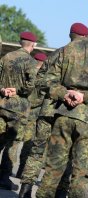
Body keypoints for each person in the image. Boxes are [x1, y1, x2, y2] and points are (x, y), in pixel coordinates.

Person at [35, 8, 88, 197]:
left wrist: (63, 93)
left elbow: (43, 79)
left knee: (52, 170)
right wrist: (86, 97)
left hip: (63, 116)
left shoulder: (69, 48)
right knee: (81, 176)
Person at [19, 22, 88, 198]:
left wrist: (58, 92)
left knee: (37, 150)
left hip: (48, 109)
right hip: (70, 113)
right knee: (66, 154)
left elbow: (41, 80)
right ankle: (59, 191)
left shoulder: (58, 53)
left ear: (70, 35)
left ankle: (25, 189)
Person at [0, 31, 38, 191]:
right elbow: (31, 86)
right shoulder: (30, 62)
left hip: (2, 104)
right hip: (19, 110)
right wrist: (18, 89)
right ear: (33, 45)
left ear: (20, 42)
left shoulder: (6, 57)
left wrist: (3, 89)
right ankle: (3, 178)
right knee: (12, 145)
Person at [15, 53, 48, 179]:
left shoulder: (25, 72)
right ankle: (21, 171)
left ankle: (8, 170)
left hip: (20, 110)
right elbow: (41, 98)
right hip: (34, 115)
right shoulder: (42, 77)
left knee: (14, 141)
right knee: (28, 144)